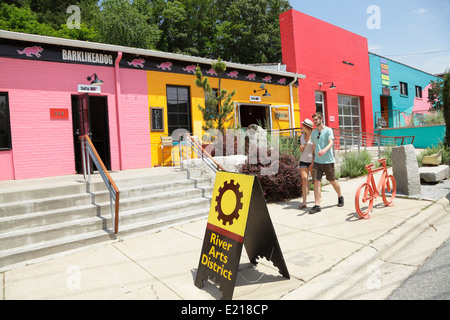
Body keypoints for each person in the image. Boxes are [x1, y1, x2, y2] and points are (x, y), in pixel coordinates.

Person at [308, 112, 344, 214]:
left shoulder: (328, 130)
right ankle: (317, 205)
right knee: (316, 182)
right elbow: (314, 146)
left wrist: (324, 150)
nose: (315, 122)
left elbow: (331, 143)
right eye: (314, 120)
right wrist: (312, 160)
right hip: (317, 162)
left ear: (321, 119)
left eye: (316, 120)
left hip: (328, 161)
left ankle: (340, 196)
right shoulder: (314, 133)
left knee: (332, 181)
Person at [298, 119, 314, 209]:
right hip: (303, 160)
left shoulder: (314, 137)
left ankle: (318, 198)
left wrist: (313, 162)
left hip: (312, 161)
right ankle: (304, 202)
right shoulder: (301, 137)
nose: (302, 127)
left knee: (315, 180)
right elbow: (301, 150)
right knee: (304, 179)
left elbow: (315, 150)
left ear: (307, 127)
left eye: (303, 125)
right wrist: (301, 147)